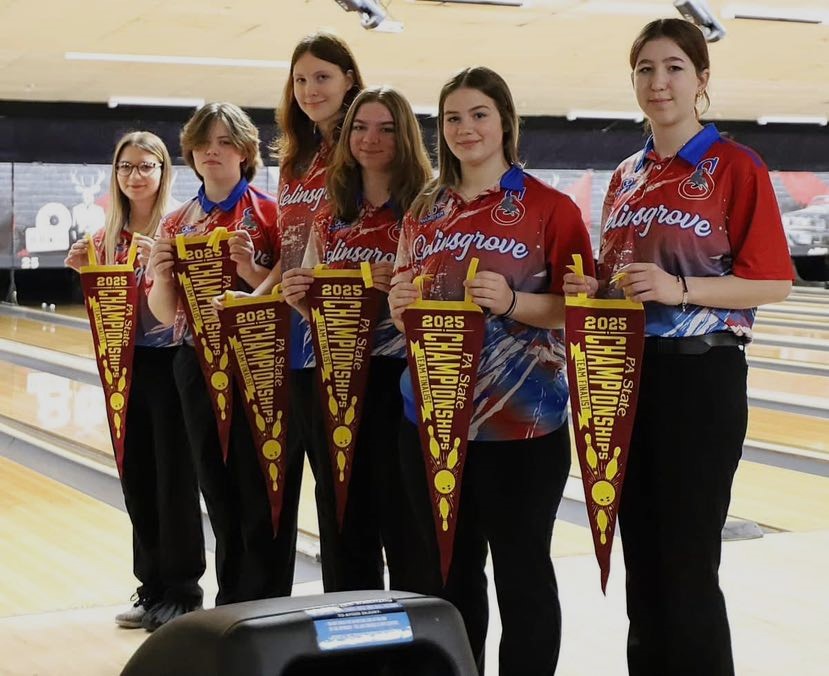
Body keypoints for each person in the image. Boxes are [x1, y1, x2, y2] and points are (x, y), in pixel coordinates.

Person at [563, 19, 792, 676]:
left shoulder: (734, 165)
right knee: (642, 562)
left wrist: (679, 286)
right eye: (644, 69)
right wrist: (595, 287)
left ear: (700, 80)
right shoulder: (625, 174)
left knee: (688, 567)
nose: (656, 82)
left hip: (701, 379)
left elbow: (771, 281)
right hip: (627, 378)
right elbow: (622, 284)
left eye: (671, 67)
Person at [388, 66, 594, 675]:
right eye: (453, 117)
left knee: (522, 569)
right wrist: (402, 306)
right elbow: (408, 299)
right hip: (430, 415)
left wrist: (512, 303)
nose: (465, 128)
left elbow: (575, 311)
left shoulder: (550, 210)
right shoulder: (424, 209)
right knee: (448, 572)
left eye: (479, 114)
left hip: (522, 426)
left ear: (505, 121)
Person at [278, 86, 432, 592]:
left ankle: (409, 642)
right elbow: (310, 293)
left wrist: (406, 287)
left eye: (387, 128)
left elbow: (447, 299)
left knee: (404, 517)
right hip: (338, 374)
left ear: (406, 137)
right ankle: (351, 637)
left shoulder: (429, 209)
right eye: (360, 127)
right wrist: (299, 294)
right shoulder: (330, 213)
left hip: (403, 378)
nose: (371, 139)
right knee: (342, 512)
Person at [147, 102, 301, 605]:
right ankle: (231, 599)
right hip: (196, 365)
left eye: (224, 142)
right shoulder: (176, 222)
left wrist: (253, 271)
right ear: (190, 152)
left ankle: (267, 598)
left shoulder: (270, 214)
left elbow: (290, 299)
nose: (212, 151)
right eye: (202, 143)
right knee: (216, 483)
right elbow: (167, 314)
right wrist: (164, 275)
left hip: (259, 364)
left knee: (263, 487)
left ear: (246, 151)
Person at [65, 131, 205, 631]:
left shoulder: (180, 225)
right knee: (138, 478)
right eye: (126, 167)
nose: (135, 176)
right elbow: (109, 314)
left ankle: (184, 592)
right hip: (129, 367)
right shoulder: (106, 237)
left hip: (174, 363)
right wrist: (85, 274)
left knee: (175, 480)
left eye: (146, 166)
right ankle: (151, 587)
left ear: (164, 172)